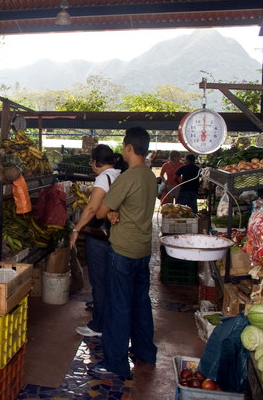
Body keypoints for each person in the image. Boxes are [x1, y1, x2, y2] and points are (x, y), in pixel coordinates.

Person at [90, 126, 158, 378]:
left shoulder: (128, 178)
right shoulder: (150, 177)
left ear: (129, 147)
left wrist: (109, 212)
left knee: (117, 307)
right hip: (143, 250)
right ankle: (146, 352)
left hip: (123, 252)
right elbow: (134, 208)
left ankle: (115, 364)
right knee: (141, 303)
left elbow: (98, 212)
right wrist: (116, 212)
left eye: (123, 145)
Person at [70, 144, 125, 338]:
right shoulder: (119, 174)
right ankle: (105, 314)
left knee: (99, 281)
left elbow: (93, 209)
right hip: (114, 235)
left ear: (95, 162)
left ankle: (98, 325)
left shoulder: (104, 177)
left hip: (100, 236)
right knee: (108, 280)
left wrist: (76, 229)